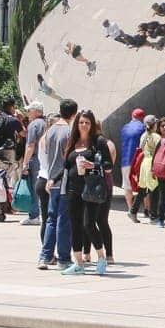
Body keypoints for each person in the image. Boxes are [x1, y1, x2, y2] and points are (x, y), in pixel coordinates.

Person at [62, 109, 115, 275]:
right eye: (81, 122)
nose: (83, 125)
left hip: (91, 187)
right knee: (75, 225)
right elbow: (66, 165)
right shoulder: (73, 141)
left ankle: (101, 256)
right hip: (73, 189)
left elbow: (109, 165)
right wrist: (52, 179)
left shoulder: (98, 141)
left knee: (89, 224)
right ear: (76, 124)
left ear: (91, 125)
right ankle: (78, 263)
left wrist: (94, 165)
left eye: (87, 122)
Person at [38, 99, 78, 267]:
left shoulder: (50, 131)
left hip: (50, 178)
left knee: (50, 219)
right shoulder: (69, 132)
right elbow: (69, 158)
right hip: (64, 180)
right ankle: (63, 258)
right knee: (64, 219)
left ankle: (45, 255)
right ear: (74, 113)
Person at [128, 115, 161, 223]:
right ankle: (153, 216)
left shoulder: (143, 135)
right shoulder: (156, 137)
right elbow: (159, 152)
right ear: (154, 125)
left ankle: (133, 211)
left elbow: (141, 148)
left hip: (144, 163)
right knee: (155, 190)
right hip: (152, 163)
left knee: (143, 189)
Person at [20, 103, 47, 228]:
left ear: (36, 111)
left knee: (34, 187)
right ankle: (43, 213)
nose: (28, 113)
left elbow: (30, 145)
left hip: (35, 158)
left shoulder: (34, 125)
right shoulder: (47, 124)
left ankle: (34, 215)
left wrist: (25, 163)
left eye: (30, 111)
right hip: (46, 159)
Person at [119, 108, 147, 215]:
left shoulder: (124, 128)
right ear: (142, 117)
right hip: (139, 160)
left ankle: (130, 208)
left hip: (125, 160)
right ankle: (146, 209)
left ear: (132, 116)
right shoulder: (143, 128)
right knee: (143, 185)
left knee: (127, 186)